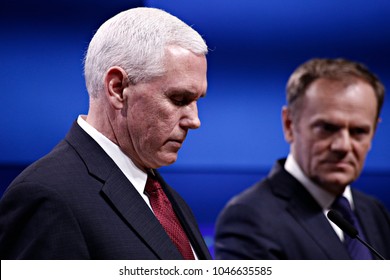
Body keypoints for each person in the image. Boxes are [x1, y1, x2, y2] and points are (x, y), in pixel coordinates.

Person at [0, 7, 211, 260]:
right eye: (179, 99)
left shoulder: (167, 199)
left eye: (198, 100)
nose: (195, 120)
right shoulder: (46, 196)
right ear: (118, 88)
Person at [214, 58, 390, 260]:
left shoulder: (374, 211)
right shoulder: (248, 218)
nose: (343, 146)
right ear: (289, 125)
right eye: (327, 128)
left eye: (359, 131)